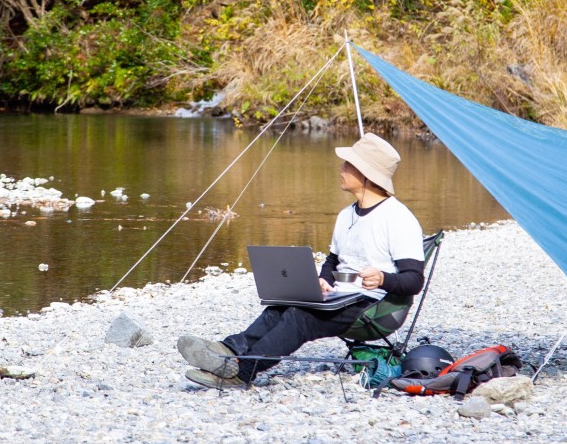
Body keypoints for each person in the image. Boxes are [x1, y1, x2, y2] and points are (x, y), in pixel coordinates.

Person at [178, 132, 426, 389]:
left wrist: (384, 278)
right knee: (282, 305)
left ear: (366, 174)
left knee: (300, 317)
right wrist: (323, 280)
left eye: (348, 164)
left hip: (375, 307)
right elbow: (333, 261)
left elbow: (414, 280)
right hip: (341, 297)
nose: (341, 168)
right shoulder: (345, 215)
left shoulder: (398, 218)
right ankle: (228, 350)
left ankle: (241, 372)